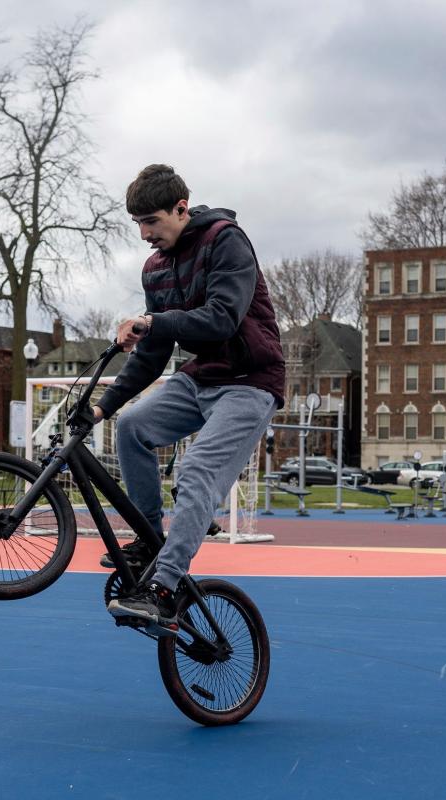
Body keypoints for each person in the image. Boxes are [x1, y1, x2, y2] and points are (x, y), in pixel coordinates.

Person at [92, 164, 284, 626]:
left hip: (250, 382)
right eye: (137, 223)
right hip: (202, 378)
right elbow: (152, 354)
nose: (143, 234)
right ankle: (148, 538)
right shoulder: (155, 268)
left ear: (181, 208)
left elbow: (221, 318)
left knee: (197, 470)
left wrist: (152, 321)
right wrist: (104, 406)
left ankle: (164, 586)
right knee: (133, 425)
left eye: (152, 221)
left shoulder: (226, 240)